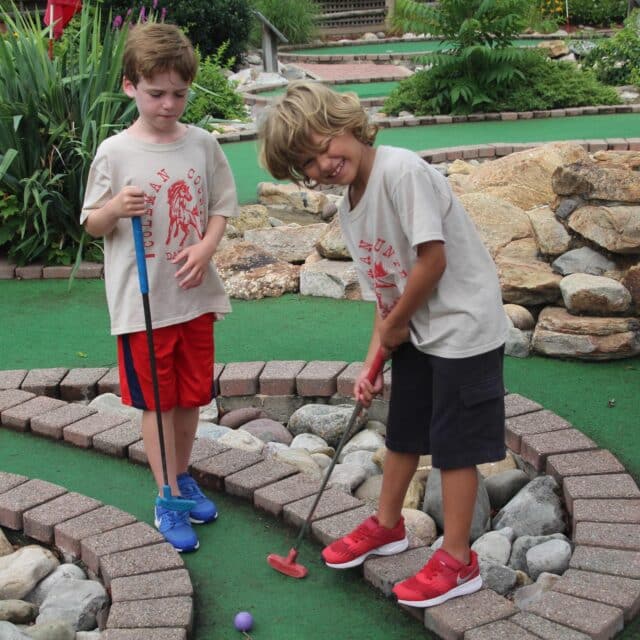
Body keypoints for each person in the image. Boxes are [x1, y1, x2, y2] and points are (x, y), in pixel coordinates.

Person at [258, 81, 508, 607]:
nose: (323, 163)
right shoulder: (350, 209)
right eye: (307, 162)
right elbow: (385, 298)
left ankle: (460, 560)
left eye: (324, 144)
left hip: (462, 327)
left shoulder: (401, 172)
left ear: (347, 122)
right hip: (418, 329)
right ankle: (389, 525)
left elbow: (432, 261)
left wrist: (396, 328)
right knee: (404, 431)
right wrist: (373, 360)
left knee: (455, 446)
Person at [81, 22, 239, 552]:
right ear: (130, 85)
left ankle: (183, 474)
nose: (169, 104)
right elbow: (91, 224)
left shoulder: (203, 144)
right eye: (156, 93)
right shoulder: (115, 152)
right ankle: (166, 492)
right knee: (157, 402)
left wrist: (206, 247)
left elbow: (219, 208)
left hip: (193, 297)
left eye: (179, 93)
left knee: (192, 397)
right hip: (143, 306)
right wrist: (113, 209)